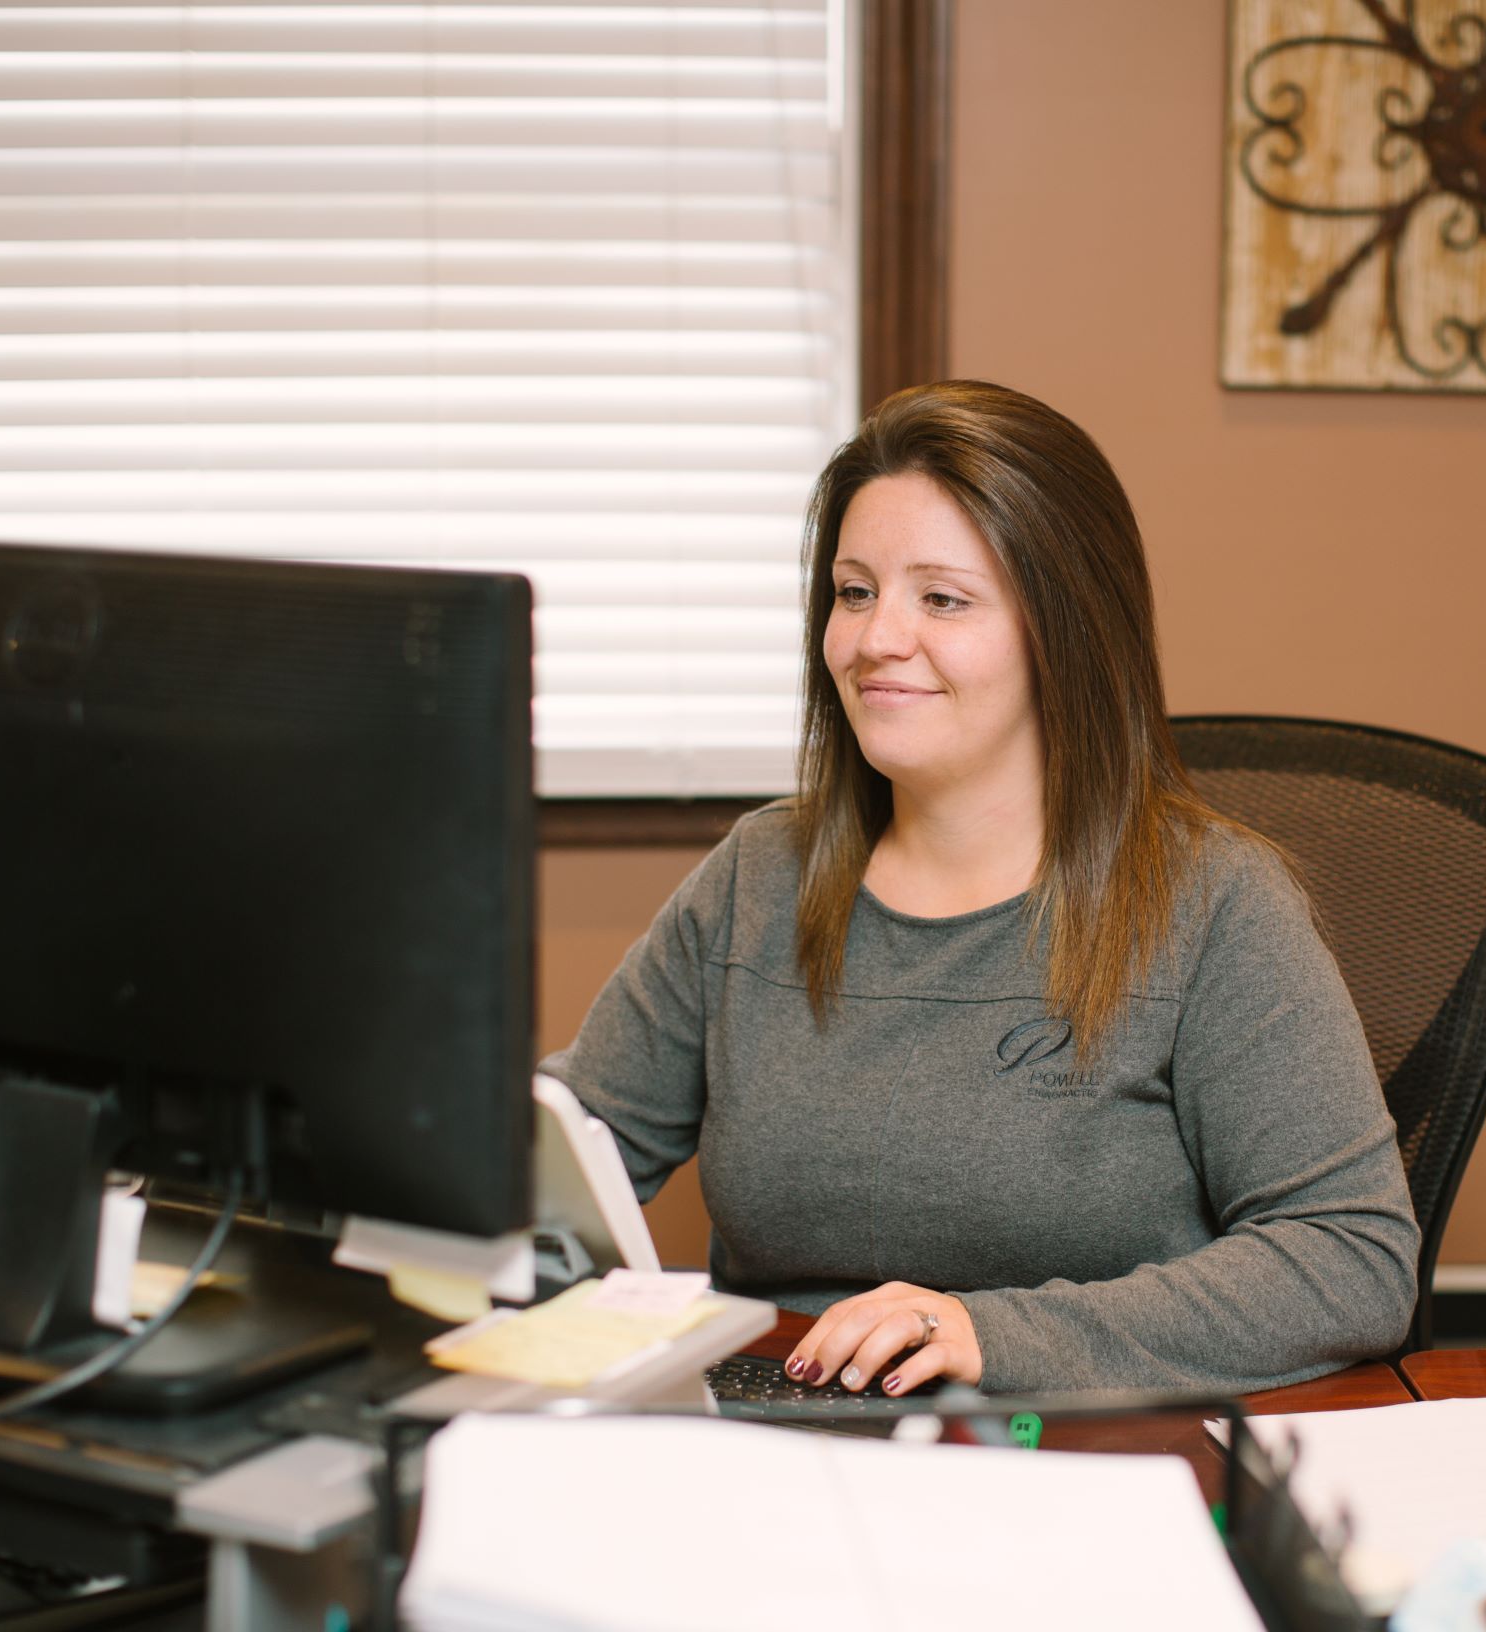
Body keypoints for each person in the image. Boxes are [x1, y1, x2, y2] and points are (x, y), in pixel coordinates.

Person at [542, 381, 1418, 1395]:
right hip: (783, 1433)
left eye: (942, 598)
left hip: (1072, 1446)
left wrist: (986, 1334)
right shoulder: (758, 876)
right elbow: (572, 1146)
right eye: (855, 591)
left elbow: (1349, 1259)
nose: (874, 640)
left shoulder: (1215, 903)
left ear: (1065, 629)